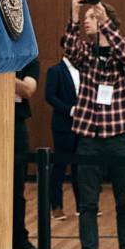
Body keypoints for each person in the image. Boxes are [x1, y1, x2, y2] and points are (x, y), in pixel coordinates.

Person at [62, 0, 125, 249]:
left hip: (120, 137)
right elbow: (70, 49)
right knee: (87, 204)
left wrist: (105, 20)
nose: (87, 20)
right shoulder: (85, 54)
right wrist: (74, 13)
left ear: (107, 22)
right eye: (87, 17)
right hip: (89, 138)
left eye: (92, 17)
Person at [43, 40, 79, 222]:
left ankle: (83, 205)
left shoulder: (85, 70)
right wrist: (70, 110)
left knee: (80, 166)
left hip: (83, 125)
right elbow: (50, 97)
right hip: (64, 125)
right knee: (60, 166)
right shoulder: (55, 71)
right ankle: (56, 206)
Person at [11, 54, 42, 249]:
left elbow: (28, 89)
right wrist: (15, 83)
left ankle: (18, 238)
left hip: (16, 123)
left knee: (17, 185)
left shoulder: (27, 60)